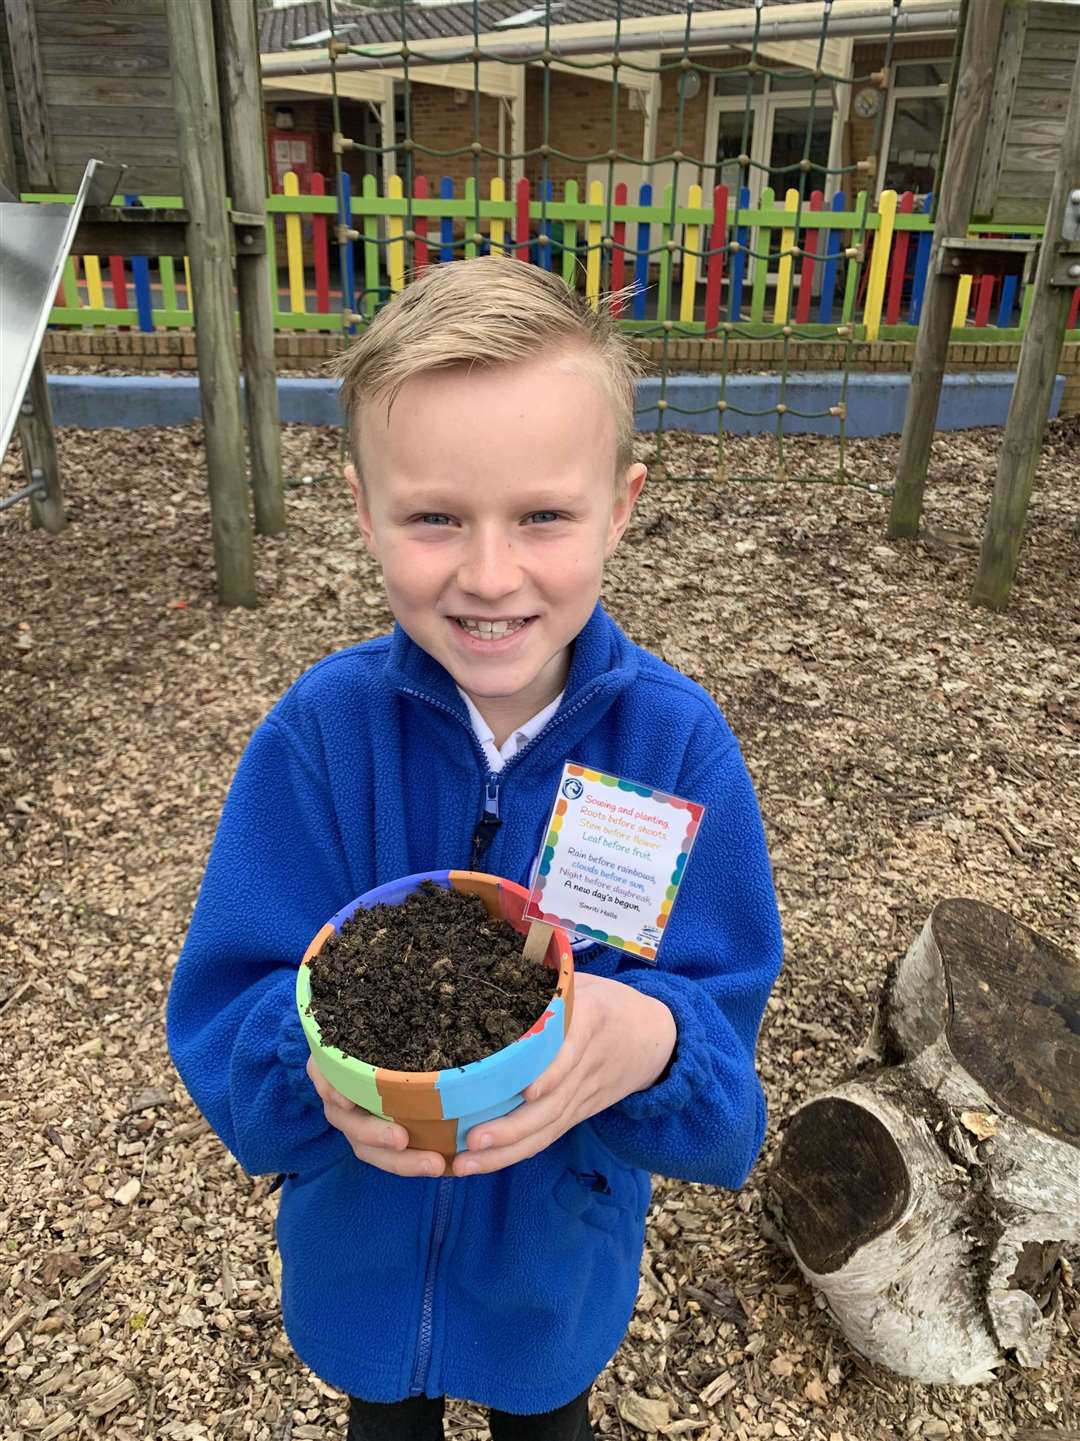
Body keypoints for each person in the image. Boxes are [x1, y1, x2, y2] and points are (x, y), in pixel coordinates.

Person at [167, 256, 783, 1441]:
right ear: (364, 508)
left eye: (543, 515)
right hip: (360, 1256)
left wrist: (647, 1040)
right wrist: (324, 1068)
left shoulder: (675, 747)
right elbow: (222, 1021)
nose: (490, 574)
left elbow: (725, 1091)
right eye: (436, 516)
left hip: (557, 1269)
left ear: (622, 504)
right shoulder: (324, 737)